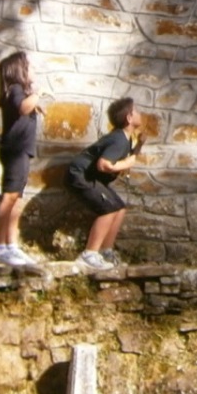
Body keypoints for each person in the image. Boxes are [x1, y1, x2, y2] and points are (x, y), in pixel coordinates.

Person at [67, 97, 143, 272]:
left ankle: (105, 251)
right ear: (129, 118)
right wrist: (127, 164)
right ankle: (89, 255)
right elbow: (104, 164)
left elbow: (127, 157)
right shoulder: (119, 139)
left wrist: (140, 144)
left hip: (89, 177)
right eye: (136, 111)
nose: (140, 114)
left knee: (119, 208)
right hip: (81, 176)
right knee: (108, 209)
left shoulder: (124, 138)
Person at [0, 51, 44, 267]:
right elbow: (22, 108)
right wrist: (38, 94)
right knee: (9, 197)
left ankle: (11, 245)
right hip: (15, 150)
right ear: (19, 70)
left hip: (21, 151)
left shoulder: (19, 92)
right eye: (30, 67)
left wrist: (33, 101)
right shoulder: (15, 89)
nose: (34, 70)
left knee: (16, 199)